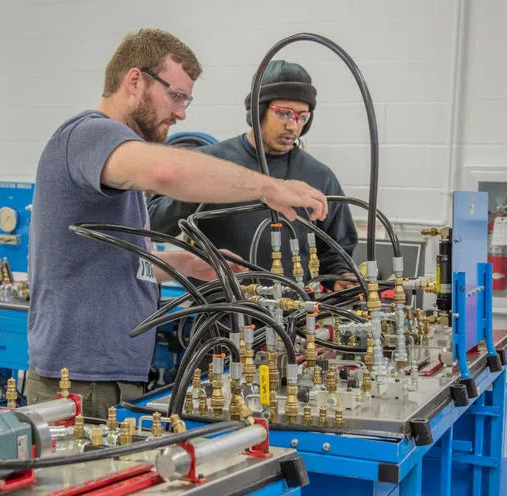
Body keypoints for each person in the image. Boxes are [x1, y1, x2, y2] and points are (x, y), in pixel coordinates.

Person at [27, 30, 329, 418]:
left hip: (107, 380)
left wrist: (183, 265)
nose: (181, 113)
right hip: (79, 387)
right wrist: (270, 188)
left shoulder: (114, 159)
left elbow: (111, 258)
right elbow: (168, 172)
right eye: (175, 96)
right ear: (134, 81)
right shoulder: (89, 134)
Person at [148, 60, 358, 291]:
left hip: (291, 317)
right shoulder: (208, 163)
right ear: (258, 111)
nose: (293, 127)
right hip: (218, 314)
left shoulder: (320, 177)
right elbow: (155, 225)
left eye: (302, 117)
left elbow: (335, 251)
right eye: (285, 114)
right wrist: (196, 185)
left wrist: (341, 276)